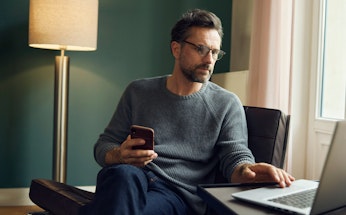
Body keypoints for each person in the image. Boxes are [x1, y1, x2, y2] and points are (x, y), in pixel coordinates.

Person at [80, 8, 295, 215]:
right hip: (130, 179)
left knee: (118, 203)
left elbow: (235, 156)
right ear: (176, 49)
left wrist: (248, 170)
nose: (209, 60)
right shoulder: (138, 91)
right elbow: (104, 145)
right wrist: (119, 155)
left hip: (176, 194)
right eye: (200, 49)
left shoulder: (226, 103)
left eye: (214, 52)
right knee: (120, 174)